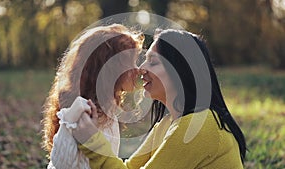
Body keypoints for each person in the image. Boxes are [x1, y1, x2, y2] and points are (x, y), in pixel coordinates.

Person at [71, 29, 247, 169]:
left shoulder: (199, 126)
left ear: (180, 71)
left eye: (153, 62)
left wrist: (92, 141)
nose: (141, 68)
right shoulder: (167, 124)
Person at [41, 24, 143, 168]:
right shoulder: (82, 110)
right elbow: (61, 163)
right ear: (111, 69)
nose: (137, 69)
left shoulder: (108, 107)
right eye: (131, 62)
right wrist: (74, 126)